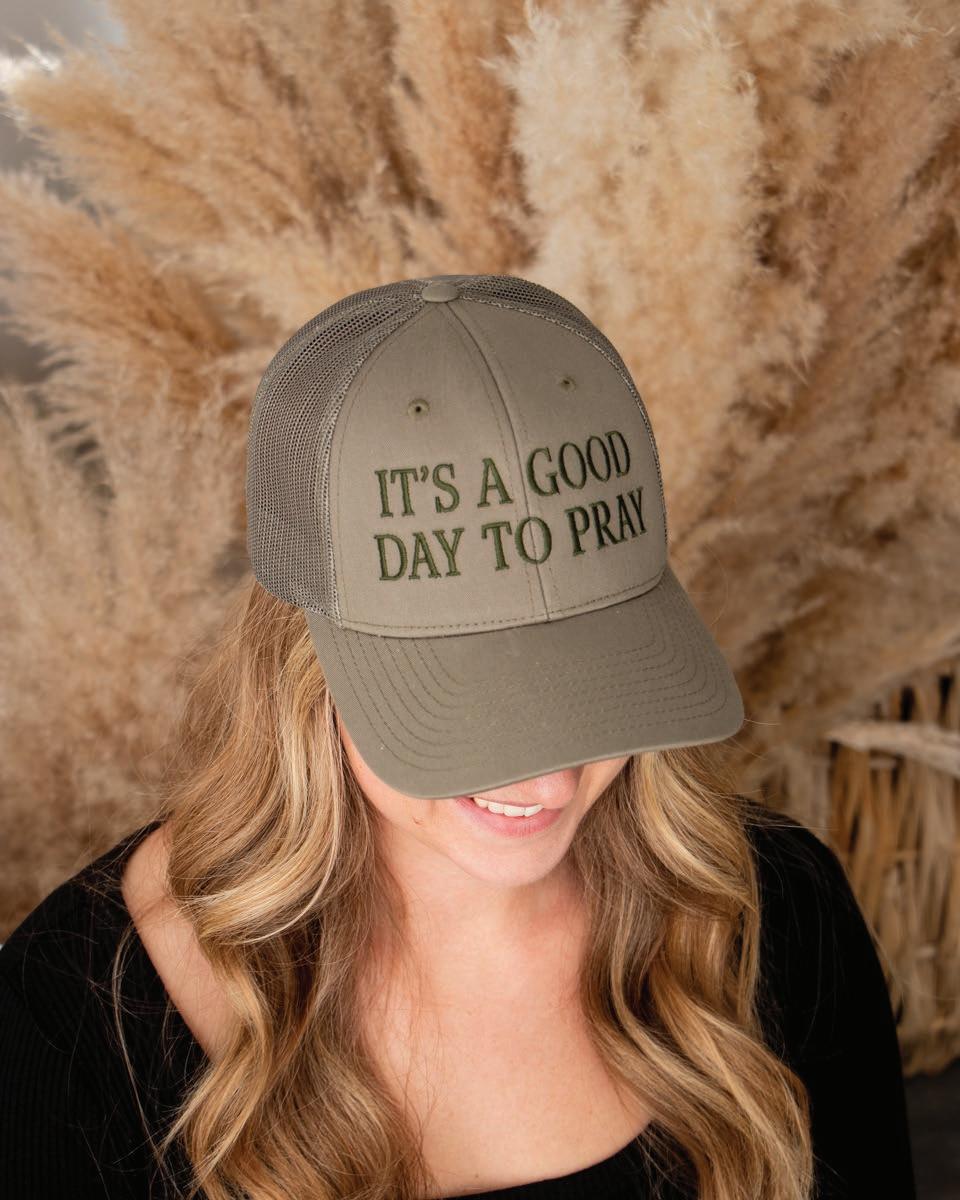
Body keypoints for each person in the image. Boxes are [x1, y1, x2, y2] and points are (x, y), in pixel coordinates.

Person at [0, 274, 916, 1200]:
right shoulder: (69, 1024)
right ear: (303, 662)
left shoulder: (780, 914)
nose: (551, 777)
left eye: (596, 677)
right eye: (465, 699)